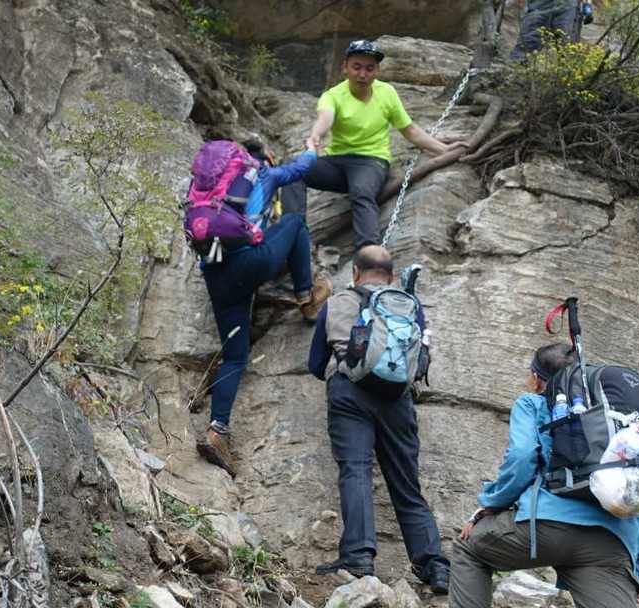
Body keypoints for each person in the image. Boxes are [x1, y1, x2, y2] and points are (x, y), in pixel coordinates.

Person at [450, 343, 639, 608]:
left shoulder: (532, 403)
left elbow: (522, 458)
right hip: (611, 544)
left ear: (537, 379)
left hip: (545, 526)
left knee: (468, 549)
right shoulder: (618, 424)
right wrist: (635, 570)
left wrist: (491, 504)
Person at [306, 245, 450, 593]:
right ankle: (435, 566)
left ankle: (358, 556)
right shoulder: (408, 306)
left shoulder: (338, 302)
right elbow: (419, 360)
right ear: (391, 274)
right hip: (397, 402)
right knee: (406, 483)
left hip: (349, 395)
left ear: (355, 272)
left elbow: (314, 364)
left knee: (355, 470)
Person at [196, 141, 332, 477]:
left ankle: (218, 430)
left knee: (235, 356)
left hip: (215, 273)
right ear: (264, 157)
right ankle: (307, 296)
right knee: (296, 223)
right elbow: (301, 170)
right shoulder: (261, 171)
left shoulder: (207, 185)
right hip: (250, 262)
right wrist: (312, 148)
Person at [304, 40, 465, 251]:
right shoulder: (333, 95)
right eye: (357, 67)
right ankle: (292, 231)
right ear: (345, 68)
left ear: (377, 70)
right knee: (295, 170)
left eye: (369, 68)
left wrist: (444, 151)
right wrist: (315, 136)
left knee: (361, 191)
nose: (363, 74)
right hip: (337, 162)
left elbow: (410, 130)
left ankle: (369, 254)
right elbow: (325, 118)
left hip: (371, 161)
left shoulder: (386, 93)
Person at [510, 0, 589, 61]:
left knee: (568, 51)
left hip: (568, 7)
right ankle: (512, 75)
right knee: (525, 46)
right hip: (539, 6)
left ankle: (567, 80)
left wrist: (587, 4)